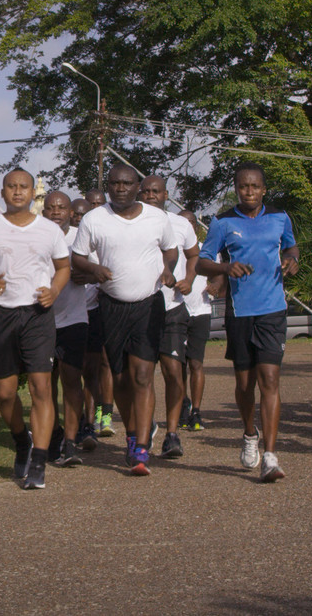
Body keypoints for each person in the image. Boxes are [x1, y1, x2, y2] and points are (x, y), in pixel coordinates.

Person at [0, 168, 71, 489]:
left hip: (37, 314)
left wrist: (55, 290)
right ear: (3, 192)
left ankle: (38, 461)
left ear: (33, 192)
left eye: (24, 187)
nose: (18, 192)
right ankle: (22, 441)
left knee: (41, 388)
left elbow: (63, 268)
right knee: (5, 393)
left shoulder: (50, 230)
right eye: (12, 187)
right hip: (2, 314)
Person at [70, 165, 180, 476]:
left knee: (143, 374)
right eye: (115, 183)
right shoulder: (95, 219)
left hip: (147, 305)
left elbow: (170, 250)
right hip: (111, 306)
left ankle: (142, 447)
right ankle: (131, 434)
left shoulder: (157, 218)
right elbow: (78, 256)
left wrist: (168, 269)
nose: (120, 188)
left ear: (137, 186)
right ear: (108, 186)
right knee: (119, 378)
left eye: (127, 183)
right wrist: (94, 270)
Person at [197, 163, 299, 482]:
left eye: (255, 187)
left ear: (264, 189)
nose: (249, 192)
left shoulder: (279, 217)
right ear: (236, 189)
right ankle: (248, 432)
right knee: (245, 384)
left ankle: (270, 455)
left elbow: (291, 245)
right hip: (240, 311)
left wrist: (291, 260)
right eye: (243, 187)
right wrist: (227, 269)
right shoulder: (223, 222)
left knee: (269, 378)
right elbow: (202, 262)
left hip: (272, 308)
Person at [140, 176, 199, 459]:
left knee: (174, 372)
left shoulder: (181, 224)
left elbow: (195, 254)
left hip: (172, 306)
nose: (151, 195)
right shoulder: (129, 223)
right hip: (139, 308)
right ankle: (146, 425)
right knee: (141, 375)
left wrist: (188, 277)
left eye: (156, 191)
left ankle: (172, 434)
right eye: (146, 191)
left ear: (166, 194)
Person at [40, 191, 98, 466]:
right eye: (50, 207)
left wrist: (83, 275)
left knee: (72, 379)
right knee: (44, 383)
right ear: (43, 211)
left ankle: (71, 442)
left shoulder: (80, 236)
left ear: (69, 211)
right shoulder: (36, 235)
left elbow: (97, 272)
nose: (56, 212)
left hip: (74, 318)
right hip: (40, 320)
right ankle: (53, 435)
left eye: (61, 207)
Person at [72, 198, 116, 441]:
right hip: (70, 314)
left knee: (100, 366)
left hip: (98, 310)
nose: (80, 218)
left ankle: (102, 416)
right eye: (76, 215)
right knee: (74, 370)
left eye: (84, 214)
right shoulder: (66, 239)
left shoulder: (101, 237)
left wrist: (96, 279)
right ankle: (78, 420)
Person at [178, 209, 220, 432]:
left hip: (200, 312)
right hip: (176, 312)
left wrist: (216, 286)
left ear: (195, 226)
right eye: (182, 223)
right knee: (177, 366)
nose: (187, 226)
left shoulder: (205, 251)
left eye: (191, 223)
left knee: (196, 363)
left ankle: (197, 410)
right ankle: (182, 406)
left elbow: (217, 276)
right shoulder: (171, 249)